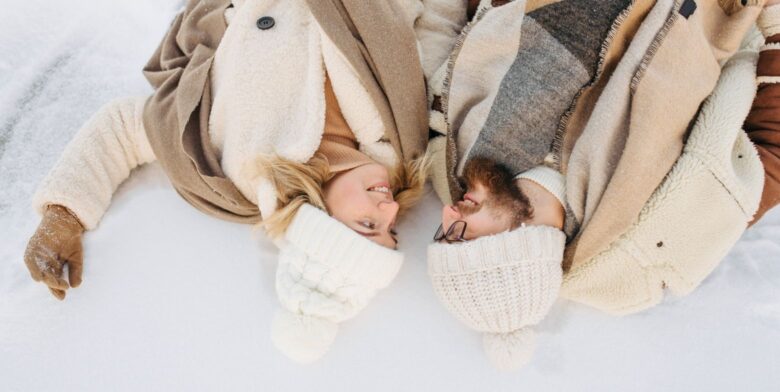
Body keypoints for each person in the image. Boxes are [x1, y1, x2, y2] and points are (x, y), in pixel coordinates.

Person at [20, 0, 462, 364]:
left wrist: (64, 214)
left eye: (367, 226)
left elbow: (125, 126)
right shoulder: (407, 137)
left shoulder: (234, 163)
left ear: (319, 217)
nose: (387, 210)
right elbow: (437, 23)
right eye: (392, 231)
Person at [425, 0, 773, 371]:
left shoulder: (457, 149)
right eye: (459, 236)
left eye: (440, 234)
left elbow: (455, 24)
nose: (448, 213)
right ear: (518, 245)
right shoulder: (649, 232)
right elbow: (772, 150)